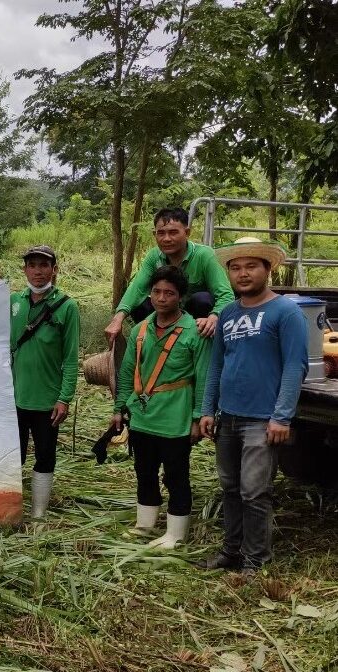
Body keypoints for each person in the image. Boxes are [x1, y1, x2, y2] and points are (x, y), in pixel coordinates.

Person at [199, 237, 307, 574]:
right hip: (227, 417)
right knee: (230, 489)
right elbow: (216, 366)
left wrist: (282, 416)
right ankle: (231, 552)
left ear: (267, 269)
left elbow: (295, 365)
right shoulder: (228, 313)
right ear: (229, 273)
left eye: (251, 266)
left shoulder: (285, 311)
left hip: (263, 420)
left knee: (254, 492)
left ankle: (255, 559)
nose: (243, 274)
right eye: (236, 267)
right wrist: (207, 410)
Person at [111, 265, 210, 548]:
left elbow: (202, 376)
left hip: (176, 418)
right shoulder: (140, 330)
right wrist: (119, 408)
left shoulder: (195, 331)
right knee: (144, 471)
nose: (162, 298)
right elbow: (128, 370)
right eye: (156, 291)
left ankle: (176, 534)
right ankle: (145, 524)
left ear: (180, 297)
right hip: (142, 415)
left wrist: (197, 417)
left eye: (169, 293)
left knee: (177, 476)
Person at [0, 245, 79, 518]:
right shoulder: (14, 302)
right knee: (14, 456)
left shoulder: (67, 307)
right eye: (32, 265)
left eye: (44, 265)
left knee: (45, 456)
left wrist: (64, 397)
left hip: (48, 399)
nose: (38, 272)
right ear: (25, 269)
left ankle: (38, 514)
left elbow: (71, 358)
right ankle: (9, 511)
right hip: (13, 397)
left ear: (54, 270)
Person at [105, 207, 234, 343]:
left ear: (187, 232)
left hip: (196, 320)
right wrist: (117, 319)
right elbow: (137, 288)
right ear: (154, 234)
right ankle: (152, 343)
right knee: (140, 304)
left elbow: (226, 295)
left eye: (173, 232)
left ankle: (198, 344)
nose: (166, 239)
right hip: (167, 313)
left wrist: (214, 316)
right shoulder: (154, 256)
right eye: (161, 233)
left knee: (202, 299)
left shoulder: (204, 255)